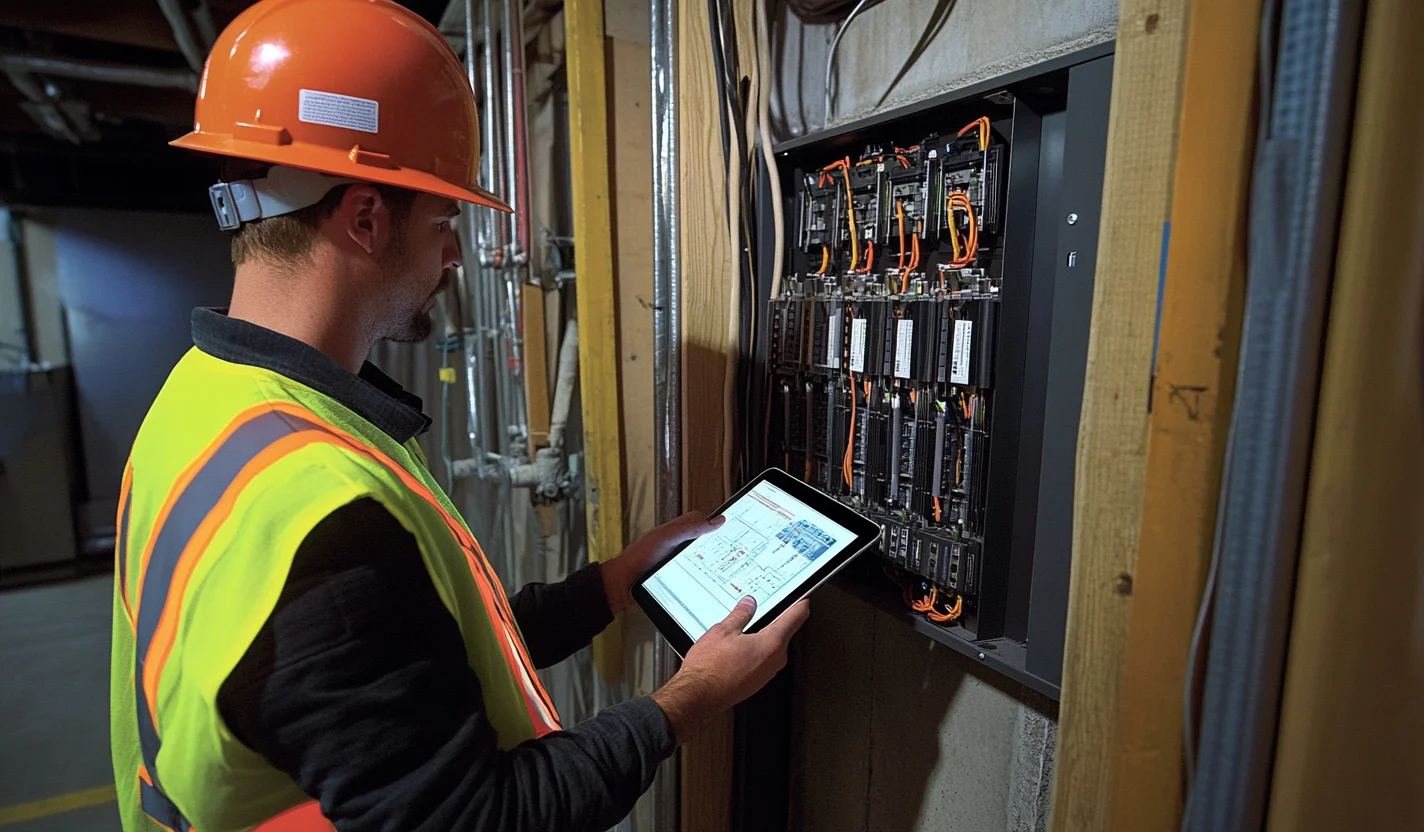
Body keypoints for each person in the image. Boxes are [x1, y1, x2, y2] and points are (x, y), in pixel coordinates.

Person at [108, 1, 810, 829]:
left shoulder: (206, 398)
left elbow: (412, 653)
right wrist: (691, 698)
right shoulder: (326, 521)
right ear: (365, 216)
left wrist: (613, 585)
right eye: (444, 221)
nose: (452, 253)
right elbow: (483, 817)